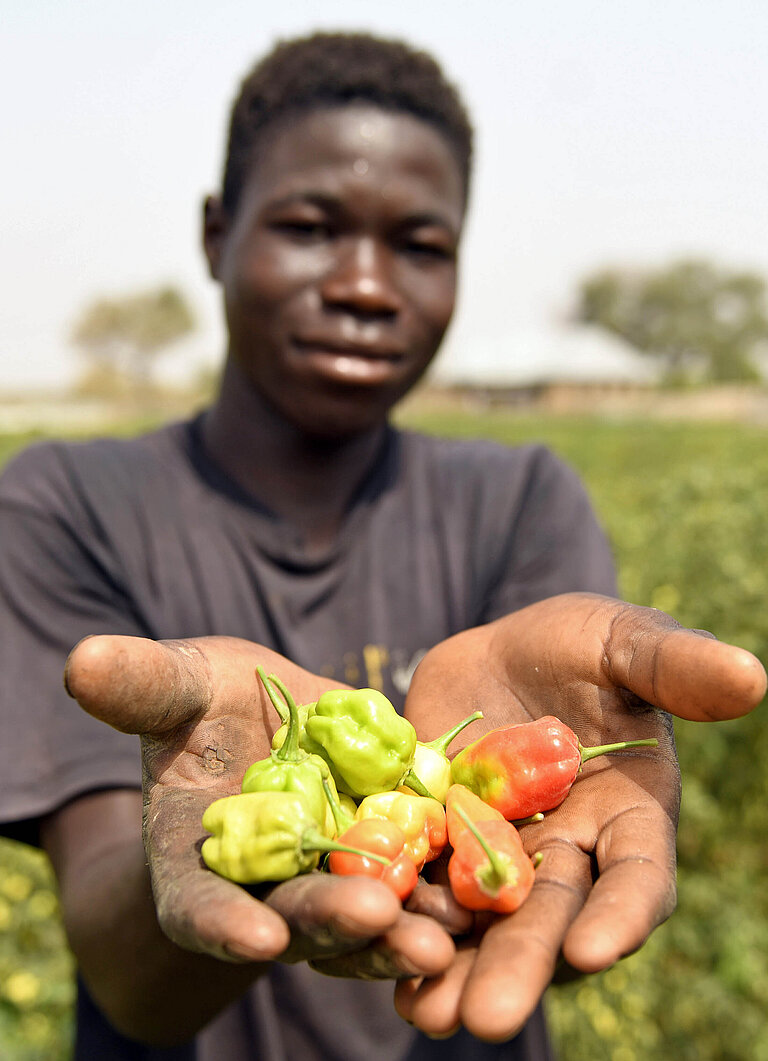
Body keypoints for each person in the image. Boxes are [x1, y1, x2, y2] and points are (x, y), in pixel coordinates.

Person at [0, 30, 764, 1061]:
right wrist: (235, 848)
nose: (365, 283)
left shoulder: (522, 496)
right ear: (218, 234)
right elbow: (126, 970)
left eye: (419, 244)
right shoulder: (65, 503)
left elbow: (516, 816)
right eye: (312, 226)